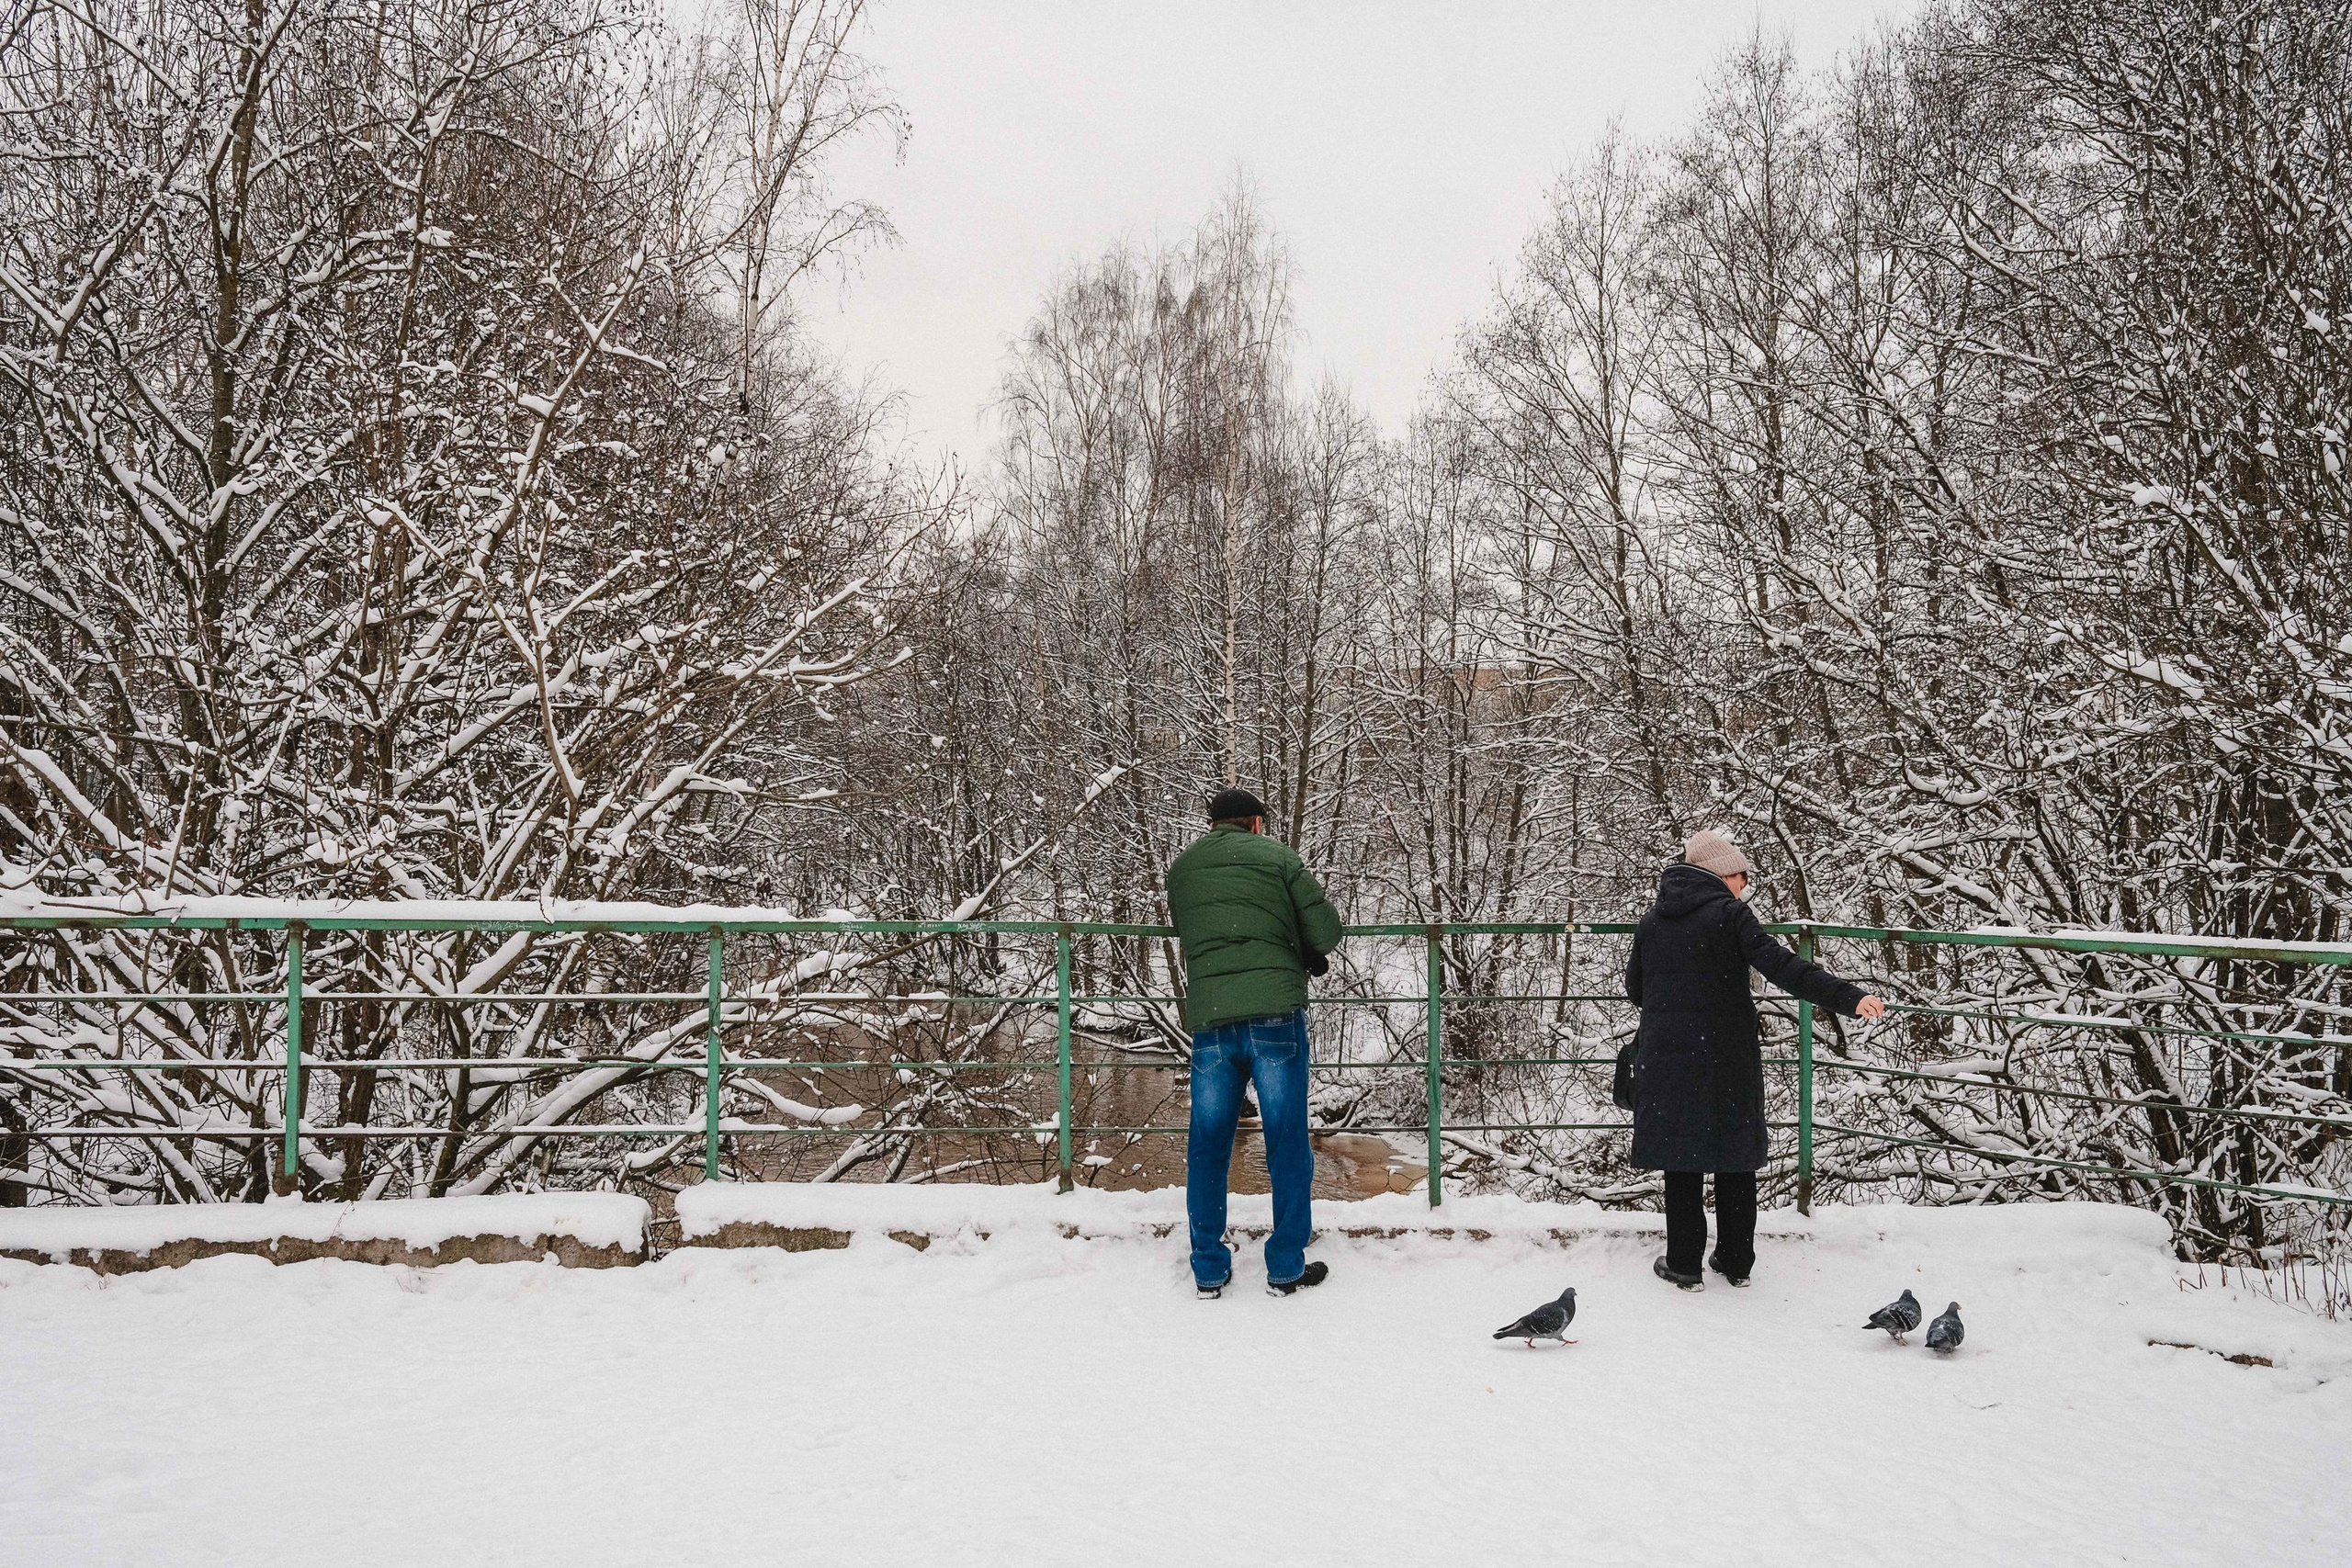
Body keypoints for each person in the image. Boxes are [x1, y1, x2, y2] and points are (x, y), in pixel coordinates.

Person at [1623, 829, 1884, 1291]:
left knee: (1681, 1157)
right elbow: (1784, 968)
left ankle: (1684, 1264)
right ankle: (1736, 1260)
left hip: (1668, 1054)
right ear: (1725, 874)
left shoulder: (1653, 920)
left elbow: (1636, 990)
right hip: (1725, 1053)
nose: (1745, 886)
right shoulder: (1730, 915)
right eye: (1743, 878)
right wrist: (1849, 997)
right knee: (1734, 1152)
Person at [1165, 786, 1343, 1300]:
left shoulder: (1184, 867)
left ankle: (1208, 1270)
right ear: (1257, 823)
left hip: (1213, 1020)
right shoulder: (1279, 858)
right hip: (1274, 1016)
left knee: (1208, 1143)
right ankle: (1285, 1267)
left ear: (1215, 824)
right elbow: (1326, 930)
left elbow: (1194, 928)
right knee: (1286, 1140)